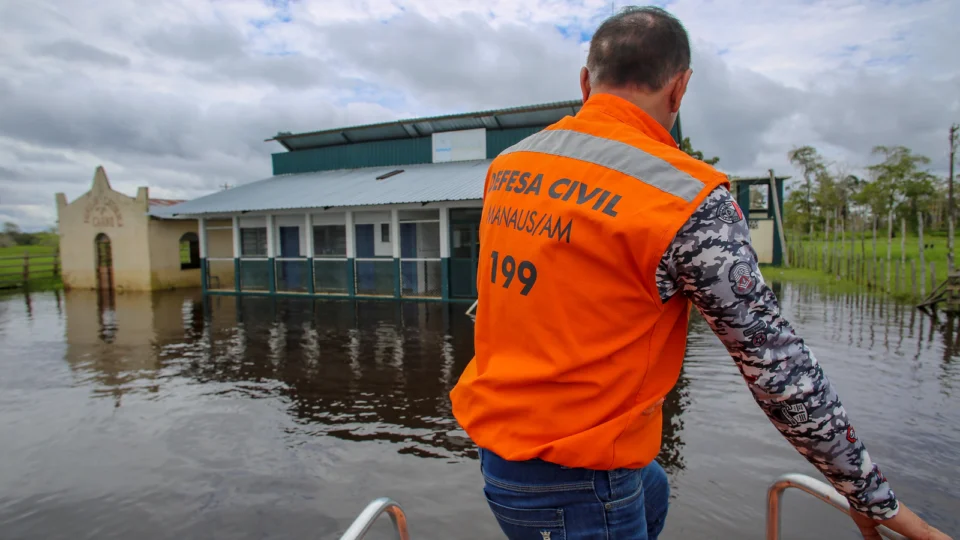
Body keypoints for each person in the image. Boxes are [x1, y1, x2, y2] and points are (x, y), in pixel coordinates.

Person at [449, 6, 951, 540]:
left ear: (585, 82)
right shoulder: (686, 198)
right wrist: (867, 491)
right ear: (679, 89)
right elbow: (777, 366)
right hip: (573, 482)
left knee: (654, 488)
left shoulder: (510, 167)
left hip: (501, 449)